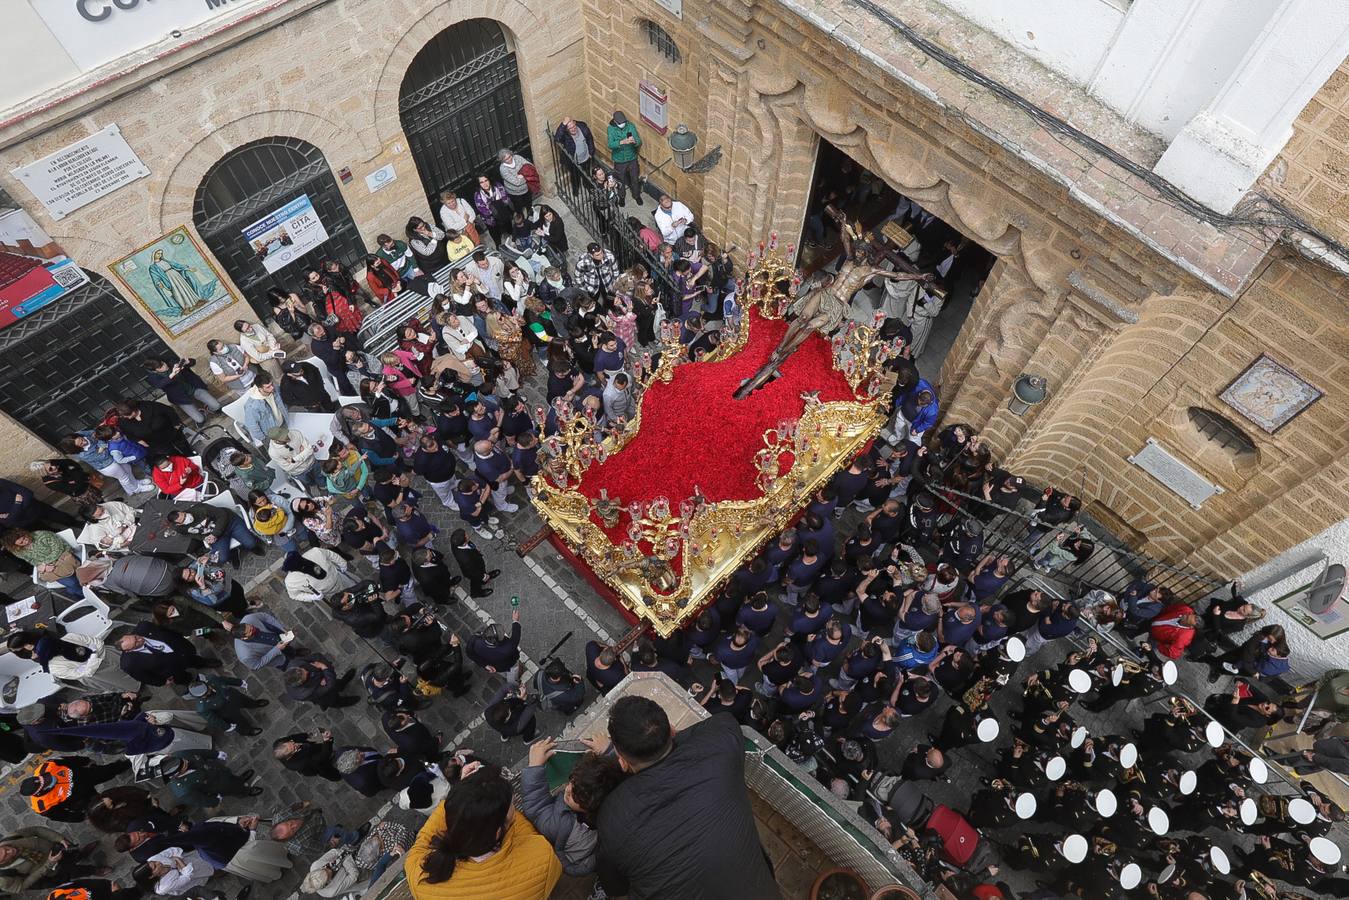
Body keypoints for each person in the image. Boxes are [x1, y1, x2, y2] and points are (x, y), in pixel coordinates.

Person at [594, 696, 779, 898]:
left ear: (622, 761)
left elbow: (615, 887)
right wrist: (666, 740)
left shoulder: (611, 816)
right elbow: (722, 721)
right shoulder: (721, 744)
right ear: (672, 730)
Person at [403, 763, 561, 899]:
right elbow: (527, 839)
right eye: (511, 805)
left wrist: (462, 798)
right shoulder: (541, 855)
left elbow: (421, 843)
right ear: (497, 832)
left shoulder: (421, 878)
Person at [117, 623, 220, 687]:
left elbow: (168, 630)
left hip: (180, 650)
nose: (140, 639)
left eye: (135, 637)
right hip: (171, 670)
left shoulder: (144, 627)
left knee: (192, 659)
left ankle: (203, 663)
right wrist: (161, 682)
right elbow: (144, 677)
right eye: (136, 644)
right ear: (128, 651)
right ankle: (191, 681)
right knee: (183, 678)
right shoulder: (129, 664)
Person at [241, 371, 289, 448]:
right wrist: (265, 439)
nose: (272, 388)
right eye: (268, 387)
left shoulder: (274, 389)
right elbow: (252, 426)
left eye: (271, 384)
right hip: (271, 434)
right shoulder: (252, 406)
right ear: (259, 388)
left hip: (284, 424)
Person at [606, 111, 643, 206]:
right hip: (619, 160)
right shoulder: (611, 129)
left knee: (634, 179)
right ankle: (621, 197)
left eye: (623, 122)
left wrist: (635, 142)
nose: (622, 124)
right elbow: (610, 144)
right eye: (620, 123)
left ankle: (636, 195)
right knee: (620, 180)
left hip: (632, 158)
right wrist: (621, 142)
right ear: (615, 121)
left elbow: (639, 141)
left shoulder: (630, 126)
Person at [451, 528, 500, 598]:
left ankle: (484, 580)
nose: (468, 535)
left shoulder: (455, 542)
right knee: (475, 580)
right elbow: (474, 572)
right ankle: (476, 592)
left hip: (475, 565)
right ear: (464, 542)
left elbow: (468, 545)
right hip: (473, 570)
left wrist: (475, 550)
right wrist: (483, 576)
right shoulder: (466, 560)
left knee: (480, 574)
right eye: (466, 535)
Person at [497, 148, 539, 216]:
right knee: (518, 207)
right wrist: (527, 176)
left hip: (526, 187)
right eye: (506, 159)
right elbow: (516, 182)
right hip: (515, 192)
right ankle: (521, 218)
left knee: (529, 202)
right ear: (502, 160)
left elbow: (528, 165)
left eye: (510, 156)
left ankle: (530, 214)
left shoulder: (517, 157)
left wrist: (522, 175)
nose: (510, 159)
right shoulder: (503, 169)